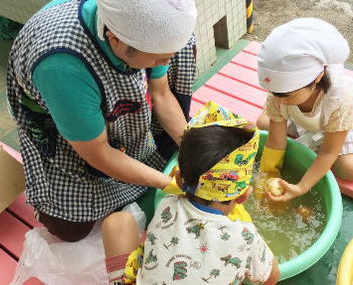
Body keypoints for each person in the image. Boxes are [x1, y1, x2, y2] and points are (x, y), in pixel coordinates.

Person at [6, 0, 197, 242]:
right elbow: (99, 154)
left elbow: (160, 93)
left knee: (169, 152)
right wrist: (170, 184)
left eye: (167, 57)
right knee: (70, 231)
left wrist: (193, 148)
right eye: (159, 59)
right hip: (63, 116)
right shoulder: (63, 67)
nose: (164, 64)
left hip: (97, 96)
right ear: (116, 40)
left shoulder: (144, 28)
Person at [102, 101, 280, 284]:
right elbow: (272, 277)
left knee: (117, 222)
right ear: (243, 196)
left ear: (178, 180)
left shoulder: (167, 204)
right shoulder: (244, 235)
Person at [256, 17, 353, 202]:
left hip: (343, 122)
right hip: (309, 116)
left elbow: (329, 152)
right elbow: (275, 142)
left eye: (286, 95)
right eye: (273, 92)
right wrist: (266, 176)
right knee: (264, 123)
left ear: (317, 78)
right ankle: (295, 118)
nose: (276, 99)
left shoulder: (340, 102)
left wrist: (301, 187)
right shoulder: (282, 94)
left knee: (349, 169)